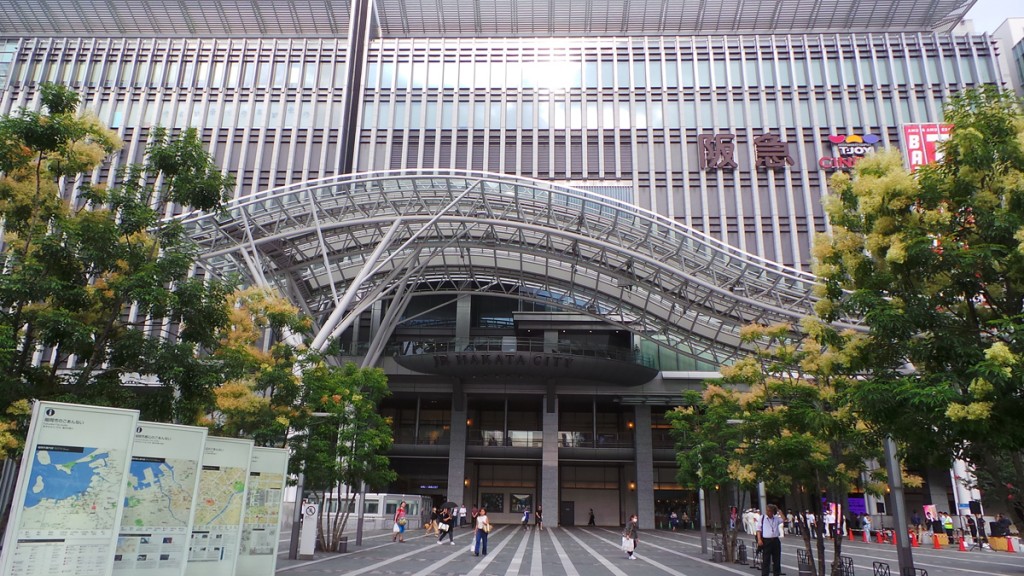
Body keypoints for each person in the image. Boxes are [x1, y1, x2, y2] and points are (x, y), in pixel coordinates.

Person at [757, 504, 783, 576]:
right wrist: (759, 540)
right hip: (766, 541)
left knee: (777, 560)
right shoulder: (762, 518)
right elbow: (758, 529)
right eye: (767, 511)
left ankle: (776, 574)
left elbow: (784, 519)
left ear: (773, 512)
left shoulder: (776, 518)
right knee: (766, 560)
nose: (768, 512)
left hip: (775, 540)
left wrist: (778, 510)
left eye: (770, 511)